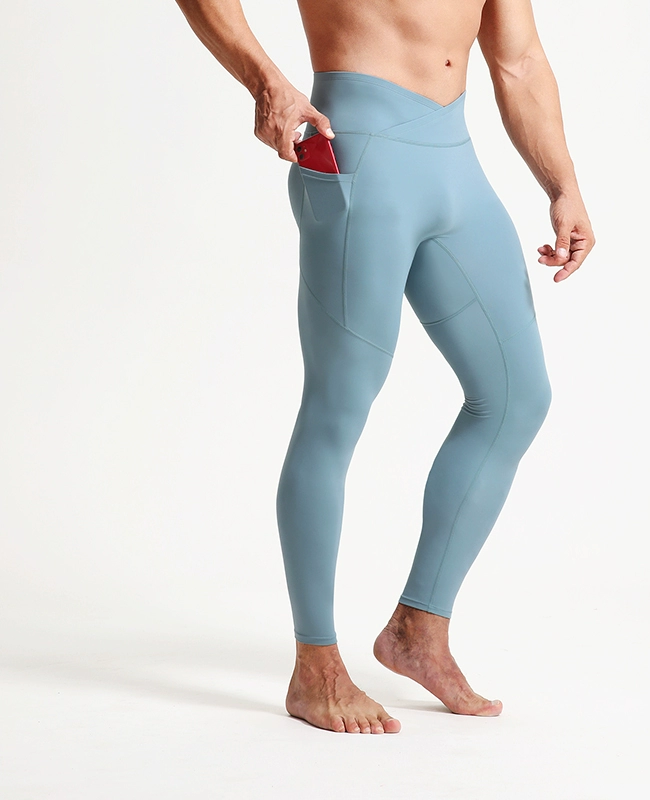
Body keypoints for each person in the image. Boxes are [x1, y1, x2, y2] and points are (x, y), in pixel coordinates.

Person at [175, 0, 595, 734]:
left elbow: (519, 58)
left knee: (515, 397)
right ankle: (315, 665)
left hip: (455, 165)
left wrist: (563, 184)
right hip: (357, 156)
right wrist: (266, 82)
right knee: (337, 407)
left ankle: (417, 629)